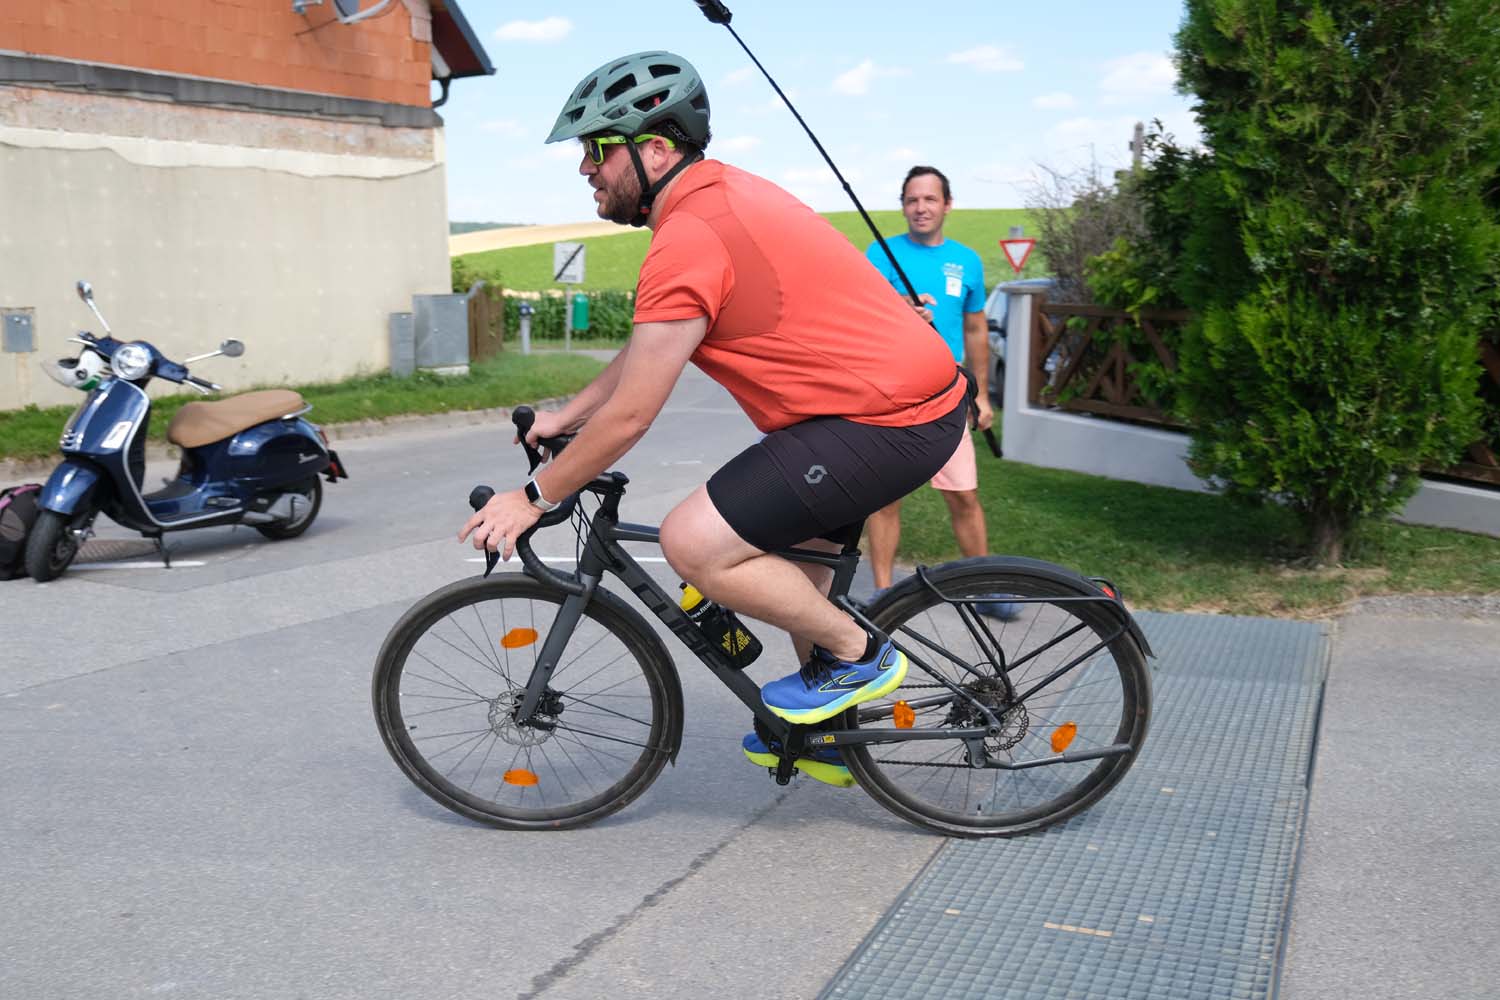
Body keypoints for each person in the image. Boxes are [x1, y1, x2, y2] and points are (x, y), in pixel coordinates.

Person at [458, 51, 970, 784]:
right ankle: (826, 737)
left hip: (886, 420)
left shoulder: (691, 235)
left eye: (598, 149)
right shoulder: (714, 198)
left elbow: (633, 415)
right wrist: (568, 414)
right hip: (881, 410)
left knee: (693, 541)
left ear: (655, 150)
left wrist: (534, 497)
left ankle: (863, 657)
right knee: (802, 584)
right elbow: (653, 345)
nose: (586, 168)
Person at [863, 166, 1015, 619]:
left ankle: (984, 587)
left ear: (947, 204)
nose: (920, 208)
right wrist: (900, 311)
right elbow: (861, 314)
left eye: (930, 199)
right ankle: (882, 594)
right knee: (884, 498)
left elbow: (976, 330)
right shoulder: (880, 254)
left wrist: (981, 396)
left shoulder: (966, 261)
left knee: (964, 495)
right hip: (891, 396)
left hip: (947, 395)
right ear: (902, 206)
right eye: (912, 200)